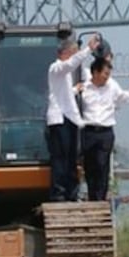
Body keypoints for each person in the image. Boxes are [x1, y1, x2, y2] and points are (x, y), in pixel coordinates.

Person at [45, 35, 99, 202]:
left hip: (69, 118)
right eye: (73, 53)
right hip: (59, 119)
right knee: (60, 158)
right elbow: (69, 65)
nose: (74, 57)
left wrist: (76, 89)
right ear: (65, 53)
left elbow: (63, 93)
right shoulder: (56, 68)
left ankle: (71, 192)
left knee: (71, 158)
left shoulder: (66, 75)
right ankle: (59, 192)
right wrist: (88, 49)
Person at [79, 58, 129, 201]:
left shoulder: (112, 86)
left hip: (105, 132)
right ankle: (92, 196)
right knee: (90, 165)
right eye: (105, 73)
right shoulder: (84, 88)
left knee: (102, 164)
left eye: (109, 74)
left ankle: (100, 198)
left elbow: (127, 98)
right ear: (95, 72)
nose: (107, 77)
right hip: (88, 131)